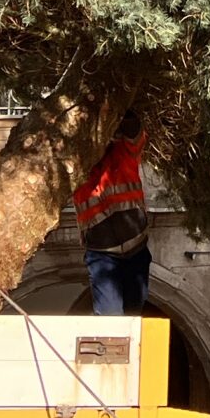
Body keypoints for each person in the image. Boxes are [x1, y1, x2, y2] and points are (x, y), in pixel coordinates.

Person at [73, 109, 151, 316]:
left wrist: (126, 110)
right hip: (102, 253)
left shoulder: (123, 150)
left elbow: (135, 132)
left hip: (135, 247)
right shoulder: (75, 168)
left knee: (135, 311)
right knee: (110, 316)